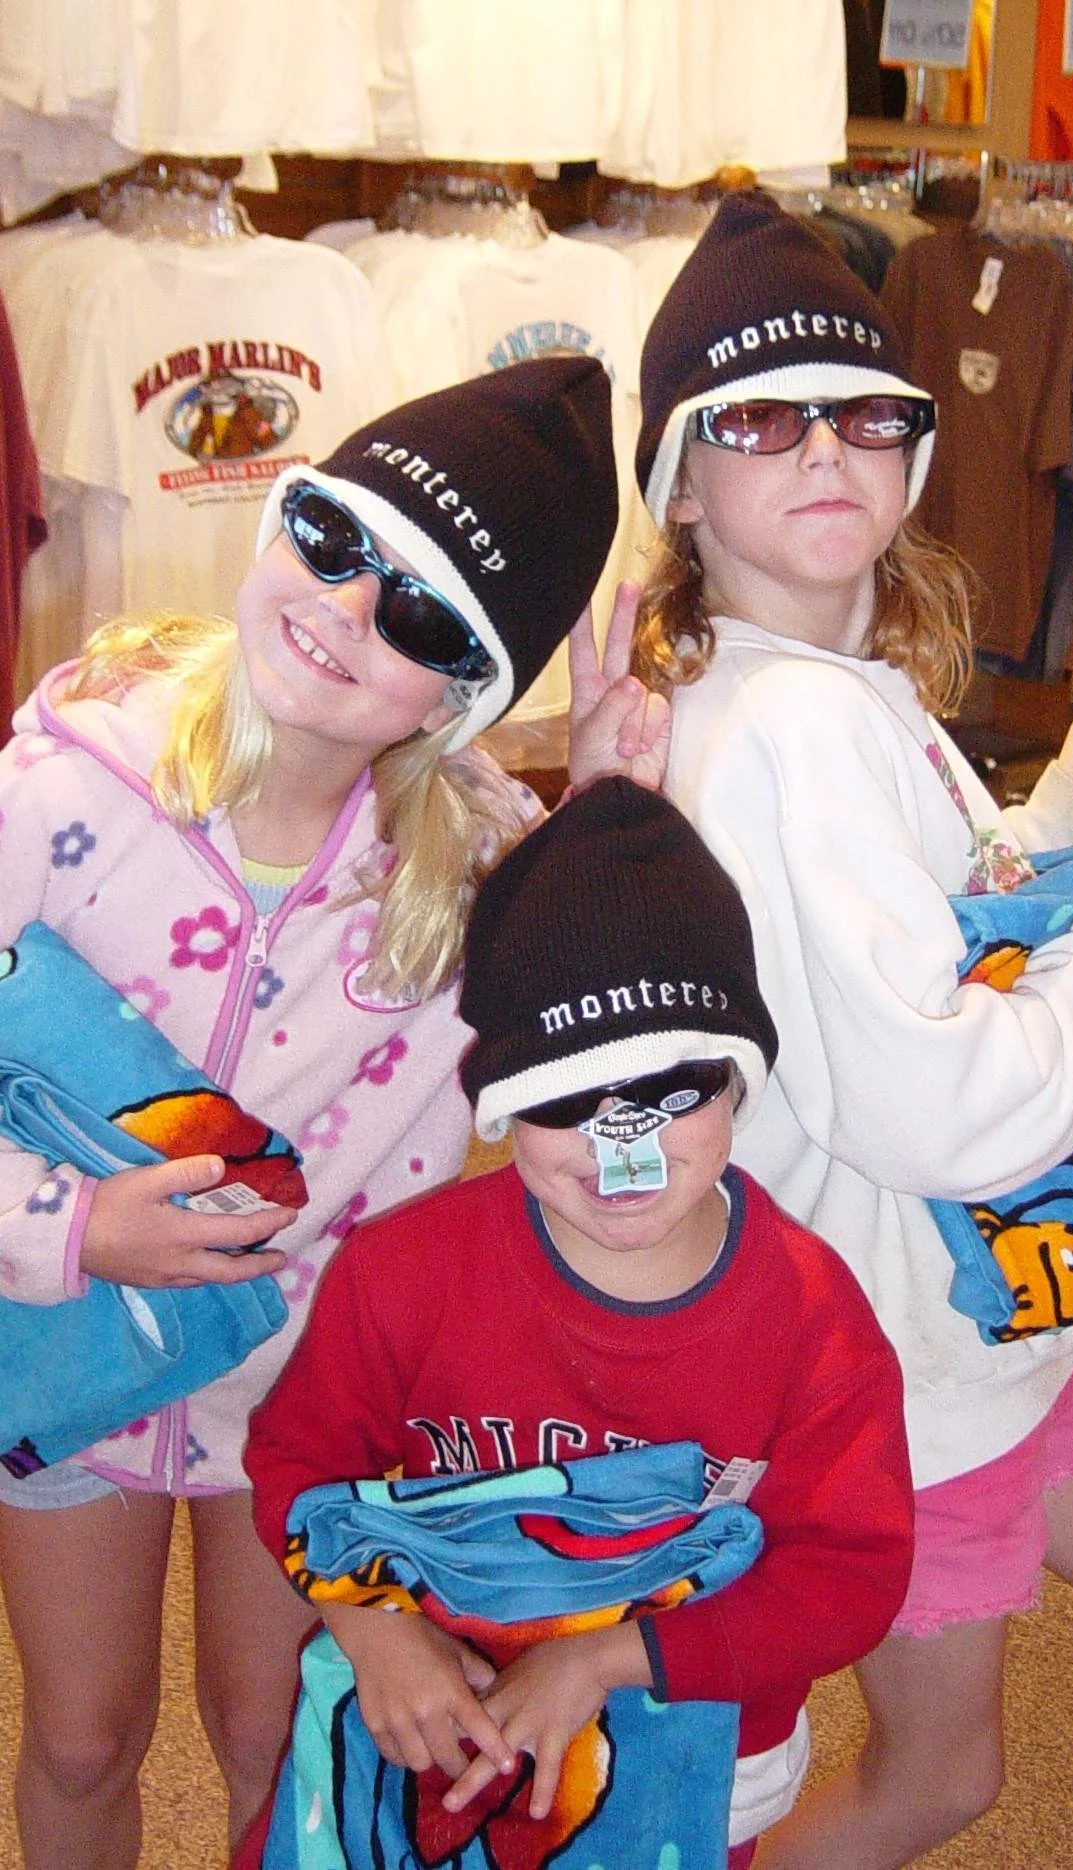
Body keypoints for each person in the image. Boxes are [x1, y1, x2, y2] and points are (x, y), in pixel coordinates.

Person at [628, 189, 1073, 1870]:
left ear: (913, 454)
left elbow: (922, 925)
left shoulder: (832, 696)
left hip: (976, 1318)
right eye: (757, 422)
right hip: (904, 1351)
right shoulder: (787, 734)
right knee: (939, 1778)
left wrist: (1063, 826)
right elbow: (939, 1100)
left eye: (866, 414)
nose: (823, 449)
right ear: (683, 488)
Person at [0, 354, 669, 1870]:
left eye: (424, 614)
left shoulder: (488, 866)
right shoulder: (60, 788)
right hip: (61, 1334)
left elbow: (612, 1076)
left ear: (472, 692)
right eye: (332, 537)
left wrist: (625, 810)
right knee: (83, 1728)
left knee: (273, 1730)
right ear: (278, 522)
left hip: (308, 1386)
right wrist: (73, 1222)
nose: (348, 607)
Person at [242, 774, 915, 1870]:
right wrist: (371, 1626)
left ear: (738, 1084)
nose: (621, 1147)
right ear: (502, 1107)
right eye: (565, 1097)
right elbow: (299, 1460)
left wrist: (612, 1659)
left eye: (669, 1086)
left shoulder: (810, 1319)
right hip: (437, 1728)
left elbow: (846, 1575)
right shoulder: (403, 1274)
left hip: (690, 1737)